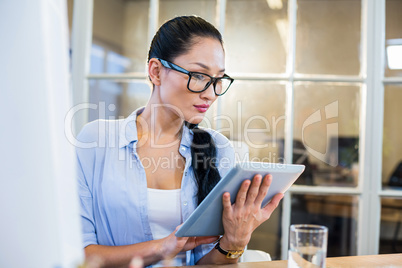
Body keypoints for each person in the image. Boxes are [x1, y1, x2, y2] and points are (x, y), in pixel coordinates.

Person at [76, 15, 284, 267]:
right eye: (198, 76)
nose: (210, 93)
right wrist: (163, 247)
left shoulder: (219, 150)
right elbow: (78, 253)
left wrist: (233, 244)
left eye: (218, 80)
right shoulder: (96, 141)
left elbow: (211, 262)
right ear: (156, 71)